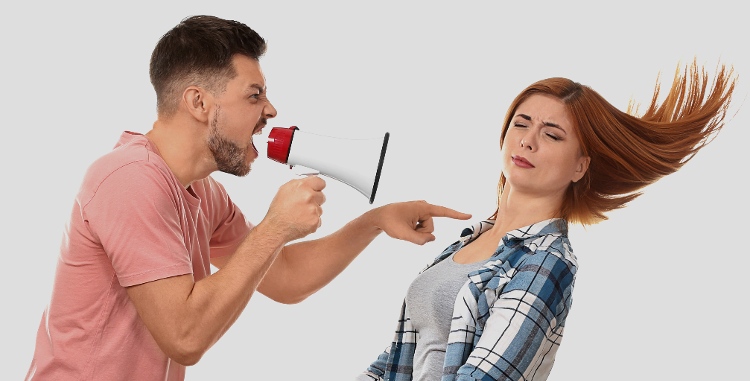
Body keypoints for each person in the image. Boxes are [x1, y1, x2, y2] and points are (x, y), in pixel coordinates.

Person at [24, 15, 472, 381]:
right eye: (254, 95)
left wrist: (374, 221)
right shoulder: (128, 179)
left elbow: (286, 277)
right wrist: (276, 225)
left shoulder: (203, 193)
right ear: (199, 102)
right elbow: (184, 337)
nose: (271, 111)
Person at [356, 60, 737, 381]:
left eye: (552, 135)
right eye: (521, 124)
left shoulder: (547, 262)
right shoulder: (465, 243)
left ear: (579, 166)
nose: (528, 141)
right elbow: (394, 360)